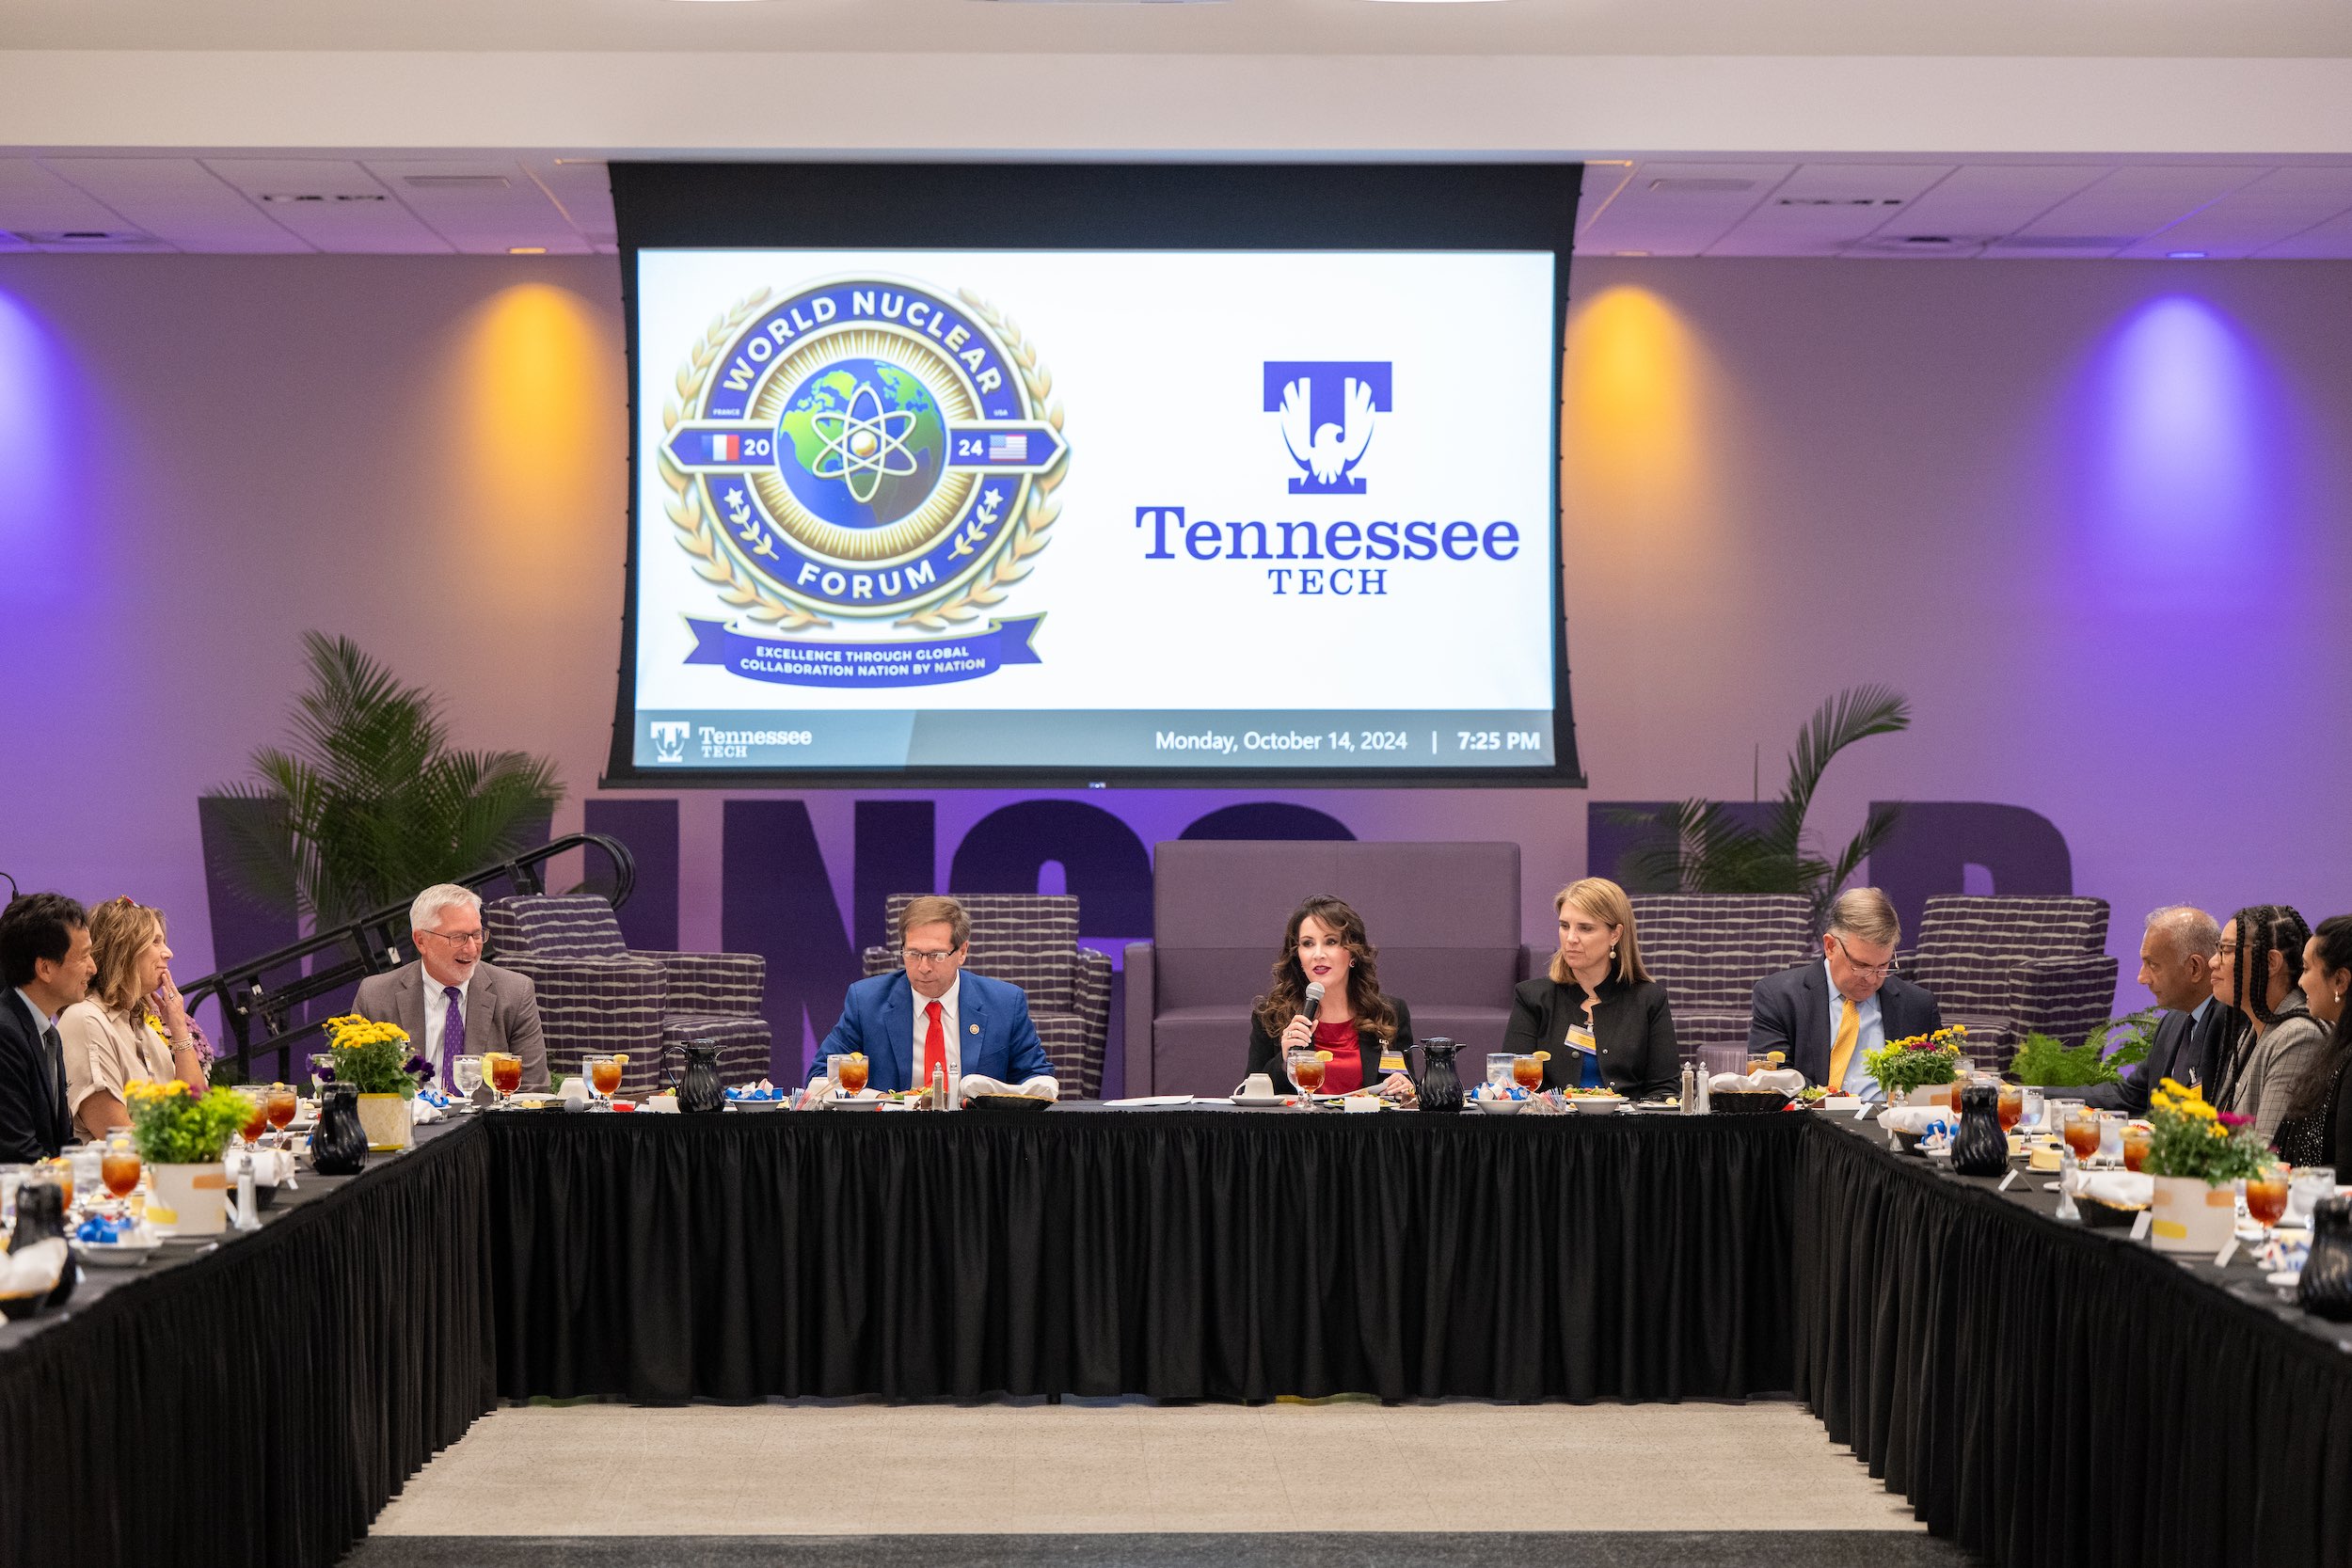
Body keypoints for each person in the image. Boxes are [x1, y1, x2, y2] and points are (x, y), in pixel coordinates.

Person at [810, 895, 1052, 1098]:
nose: (924, 967)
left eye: (936, 955)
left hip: (977, 1139)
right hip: (892, 1140)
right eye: (913, 953)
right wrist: (882, 1099)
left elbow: (1039, 1079)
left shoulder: (1005, 1003)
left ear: (962, 951)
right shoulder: (866, 1001)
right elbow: (822, 1078)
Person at [1749, 886, 1943, 1101]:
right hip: (1810, 1129)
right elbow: (1770, 1083)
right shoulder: (1779, 998)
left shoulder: (1918, 1005)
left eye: (1883, 966)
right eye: (1861, 965)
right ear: (1830, 946)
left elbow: (1939, 1086)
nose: (1872, 978)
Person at [352, 883, 548, 1091]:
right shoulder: (375, 996)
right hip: (407, 1122)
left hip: (485, 1123)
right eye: (459, 938)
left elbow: (533, 1089)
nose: (472, 949)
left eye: (477, 935)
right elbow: (353, 1085)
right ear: (421, 941)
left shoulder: (514, 992)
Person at [1503, 878, 1679, 1098]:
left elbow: (1664, 1091)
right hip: (1551, 1128)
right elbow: (1512, 1087)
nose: (1571, 938)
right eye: (1564, 926)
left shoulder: (1649, 1000)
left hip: (1627, 1128)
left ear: (1615, 934)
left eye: (1585, 928)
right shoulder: (1532, 997)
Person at [58, 897, 210, 1140]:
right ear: (123, 950)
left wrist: (179, 1027)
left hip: (163, 1172)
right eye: (155, 942)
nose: (168, 953)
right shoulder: (86, 1020)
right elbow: (120, 1138)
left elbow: (199, 1114)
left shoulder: (140, 1025)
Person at [1245, 895, 1417, 1101]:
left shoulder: (1389, 1013)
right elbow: (1250, 1097)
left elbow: (1408, 1093)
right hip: (1298, 1131)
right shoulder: (1271, 1016)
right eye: (1308, 944)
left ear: (1353, 953)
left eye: (1331, 942)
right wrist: (1284, 1060)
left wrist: (1405, 1088)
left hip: (1367, 1131)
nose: (1318, 954)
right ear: (1298, 956)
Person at [2081, 907, 2225, 1115]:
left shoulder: (2228, 1028)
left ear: (2194, 968)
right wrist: (2035, 1094)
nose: (2142, 978)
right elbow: (2129, 1097)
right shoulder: (2171, 1023)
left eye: (2153, 965)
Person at [2208, 905, 2322, 1143]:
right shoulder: (2252, 1030)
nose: (2212, 962)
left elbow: (2266, 1153)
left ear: (2271, 962)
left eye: (2226, 950)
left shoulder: (2298, 1035)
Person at [0, 894, 94, 1163]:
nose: (93, 968)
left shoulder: (48, 1032)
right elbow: (19, 1153)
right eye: (85, 956)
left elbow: (63, 1144)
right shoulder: (5, 1034)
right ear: (45, 968)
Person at [2271, 916, 2352, 1168]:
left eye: (2306, 969)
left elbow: (2346, 1170)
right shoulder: (2335, 1047)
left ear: (2340, 981)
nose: (2300, 982)